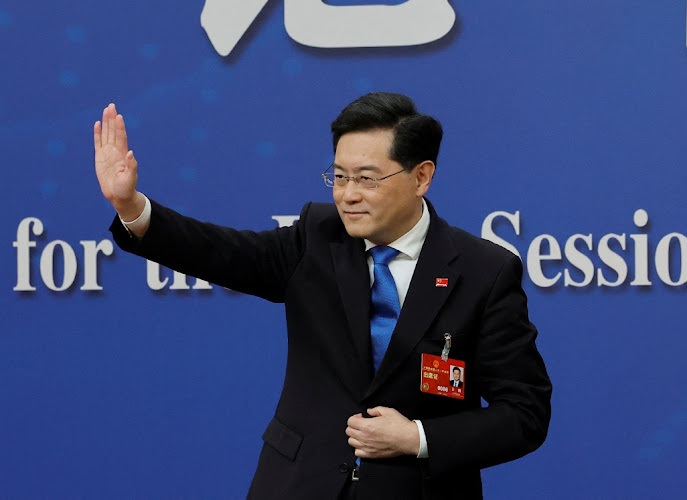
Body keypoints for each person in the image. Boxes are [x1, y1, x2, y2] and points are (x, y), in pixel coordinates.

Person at [93, 92, 552, 500]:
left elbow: (524, 414)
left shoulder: (483, 272)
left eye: (367, 179)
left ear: (421, 177)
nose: (348, 195)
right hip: (297, 483)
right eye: (339, 176)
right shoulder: (316, 236)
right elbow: (218, 252)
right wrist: (131, 207)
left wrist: (417, 437)